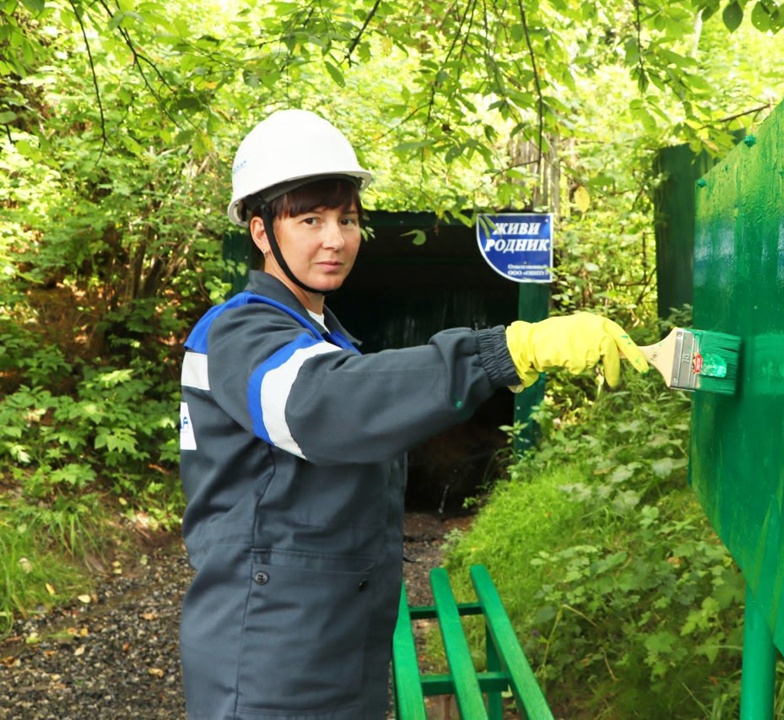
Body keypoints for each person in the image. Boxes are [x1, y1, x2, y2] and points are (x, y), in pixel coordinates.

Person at [178, 108, 649, 719]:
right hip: (270, 656)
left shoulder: (321, 336)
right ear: (262, 233)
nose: (334, 239)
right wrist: (505, 350)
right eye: (310, 219)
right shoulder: (239, 331)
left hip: (337, 646)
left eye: (346, 219)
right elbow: (325, 406)